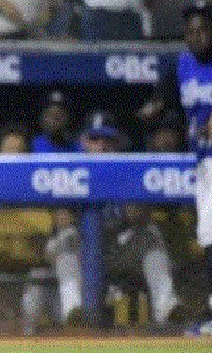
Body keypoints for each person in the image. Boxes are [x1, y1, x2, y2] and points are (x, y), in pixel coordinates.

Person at [46, 112, 179, 325]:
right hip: (82, 250)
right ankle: (75, 311)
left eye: (107, 139)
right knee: (65, 239)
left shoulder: (129, 171)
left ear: (118, 143)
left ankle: (167, 306)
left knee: (150, 236)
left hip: (115, 249)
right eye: (94, 139)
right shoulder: (69, 167)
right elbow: (61, 219)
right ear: (83, 142)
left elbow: (140, 216)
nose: (101, 146)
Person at [171, 3, 212, 332]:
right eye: (191, 32)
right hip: (202, 160)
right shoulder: (184, 63)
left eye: (203, 30)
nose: (197, 37)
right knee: (208, 236)